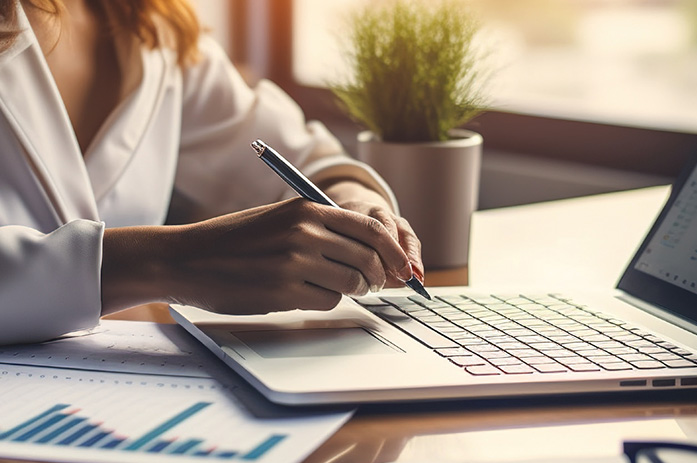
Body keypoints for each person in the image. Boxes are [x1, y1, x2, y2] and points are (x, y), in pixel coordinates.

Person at [0, 0, 424, 345]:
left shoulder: (150, 21)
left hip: (119, 381)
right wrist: (166, 262)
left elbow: (307, 159)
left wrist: (355, 205)